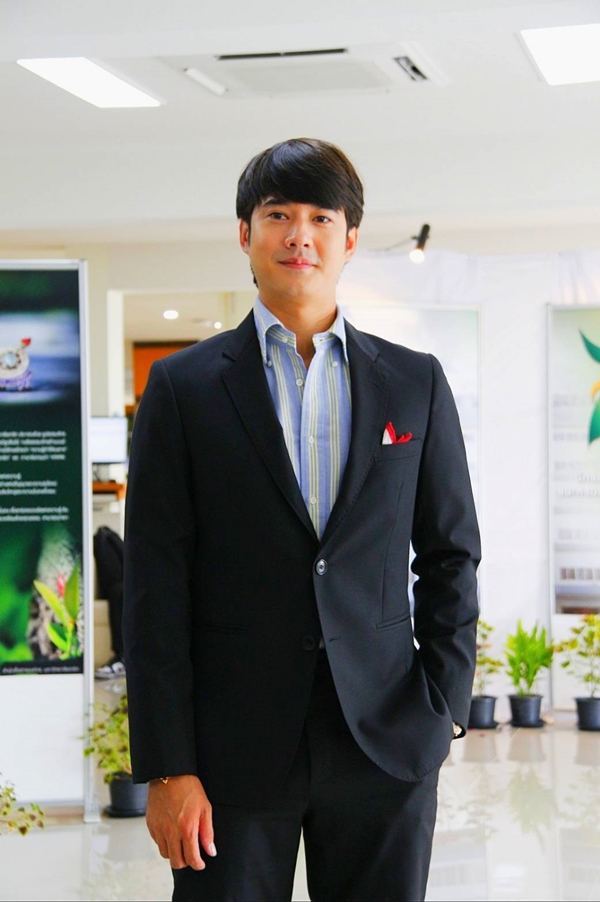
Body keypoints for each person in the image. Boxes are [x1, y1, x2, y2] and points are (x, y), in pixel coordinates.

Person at [123, 137, 480, 902]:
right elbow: (155, 583)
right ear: (244, 233)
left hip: (384, 739)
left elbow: (450, 554)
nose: (299, 235)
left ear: (350, 239)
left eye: (322, 217)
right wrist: (168, 764)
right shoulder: (183, 389)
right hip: (228, 751)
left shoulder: (413, 382)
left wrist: (442, 708)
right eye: (278, 214)